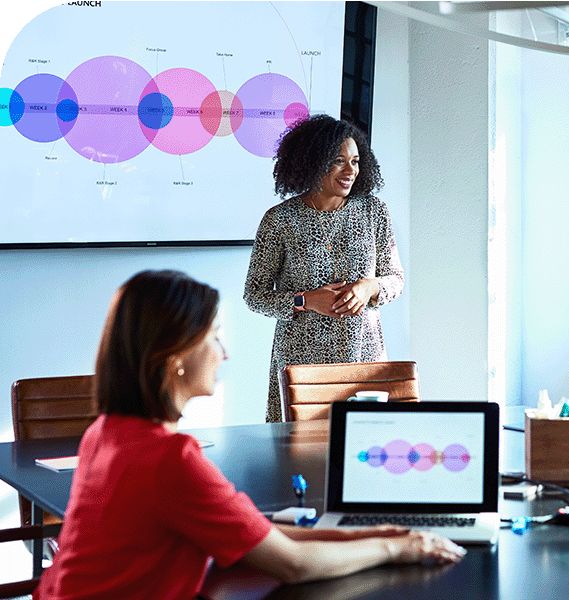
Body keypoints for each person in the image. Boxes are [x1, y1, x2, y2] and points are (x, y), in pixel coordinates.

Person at [37, 271, 463, 599]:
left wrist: (374, 535)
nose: (225, 353)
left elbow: (253, 532)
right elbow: (292, 564)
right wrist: (399, 549)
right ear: (174, 358)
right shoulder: (169, 458)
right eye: (215, 338)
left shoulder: (107, 432)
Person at [245, 114, 404, 422]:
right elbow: (254, 295)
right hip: (302, 363)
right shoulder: (280, 220)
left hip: (363, 356)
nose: (350, 171)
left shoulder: (375, 211)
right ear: (313, 162)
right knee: (301, 455)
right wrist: (305, 300)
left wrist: (370, 287)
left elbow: (395, 279)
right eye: (339, 161)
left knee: (362, 449)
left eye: (356, 161)